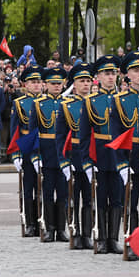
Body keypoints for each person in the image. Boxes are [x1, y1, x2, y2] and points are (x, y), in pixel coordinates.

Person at [110, 51, 139, 261]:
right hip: (129, 156)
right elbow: (116, 134)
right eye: (135, 71)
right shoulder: (118, 101)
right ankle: (130, 243)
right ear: (127, 75)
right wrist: (120, 164)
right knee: (130, 202)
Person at [80, 54, 124, 254]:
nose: (110, 77)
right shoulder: (90, 102)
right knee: (100, 197)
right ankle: (101, 238)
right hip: (99, 154)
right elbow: (83, 135)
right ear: (98, 76)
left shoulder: (122, 99)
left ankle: (113, 238)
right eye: (106, 73)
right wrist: (86, 162)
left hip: (118, 155)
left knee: (117, 199)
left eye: (113, 73)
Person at [29, 67, 69, 242]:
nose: (57, 86)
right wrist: (35, 157)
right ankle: (49, 228)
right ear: (46, 85)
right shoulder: (38, 104)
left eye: (59, 83)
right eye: (53, 84)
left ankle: (61, 229)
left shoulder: (67, 103)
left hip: (63, 153)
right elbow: (32, 133)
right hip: (46, 152)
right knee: (47, 191)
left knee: (63, 192)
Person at [57, 62, 95, 249]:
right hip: (73, 156)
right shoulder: (66, 105)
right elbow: (60, 135)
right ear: (75, 83)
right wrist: (63, 161)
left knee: (88, 198)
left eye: (88, 81)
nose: (86, 84)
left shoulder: (96, 102)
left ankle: (86, 234)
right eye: (82, 81)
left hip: (91, 156)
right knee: (73, 197)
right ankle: (74, 230)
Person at [11, 66, 44, 237]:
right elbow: (15, 130)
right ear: (25, 84)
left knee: (45, 187)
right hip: (27, 147)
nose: (37, 85)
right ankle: (31, 223)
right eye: (33, 82)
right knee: (29, 186)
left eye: (39, 82)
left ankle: (45, 221)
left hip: (45, 148)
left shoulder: (48, 101)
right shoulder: (20, 103)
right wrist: (16, 155)